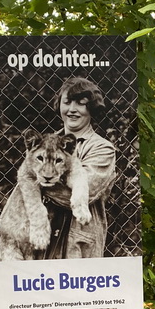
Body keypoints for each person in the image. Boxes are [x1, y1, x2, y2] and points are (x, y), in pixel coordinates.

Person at [39, 77, 117, 259]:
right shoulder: (44, 143)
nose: (72, 109)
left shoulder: (102, 148)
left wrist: (36, 183)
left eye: (81, 104)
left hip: (79, 241)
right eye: (67, 102)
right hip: (42, 237)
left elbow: (83, 194)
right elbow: (22, 184)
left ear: (91, 108)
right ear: (59, 104)